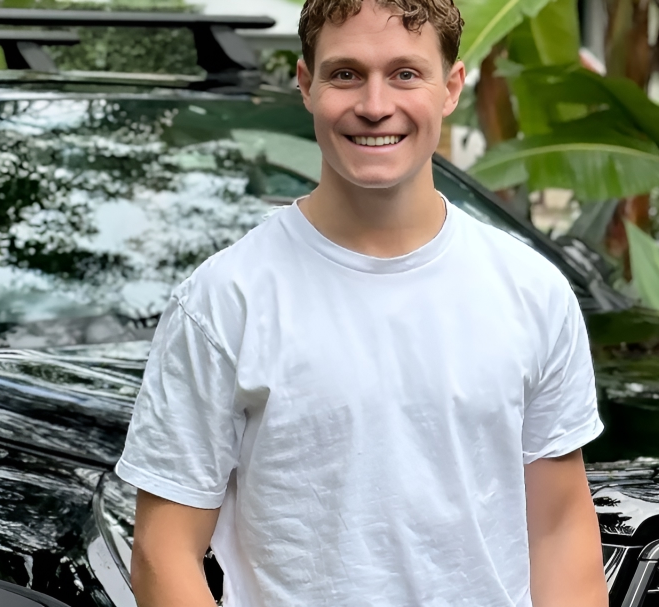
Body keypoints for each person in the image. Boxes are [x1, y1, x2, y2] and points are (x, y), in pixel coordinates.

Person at [114, 0, 609, 605]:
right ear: (306, 84)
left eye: (405, 73)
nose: (376, 106)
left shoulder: (533, 291)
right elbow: (163, 551)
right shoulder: (224, 301)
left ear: (451, 87)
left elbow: (558, 528)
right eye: (346, 74)